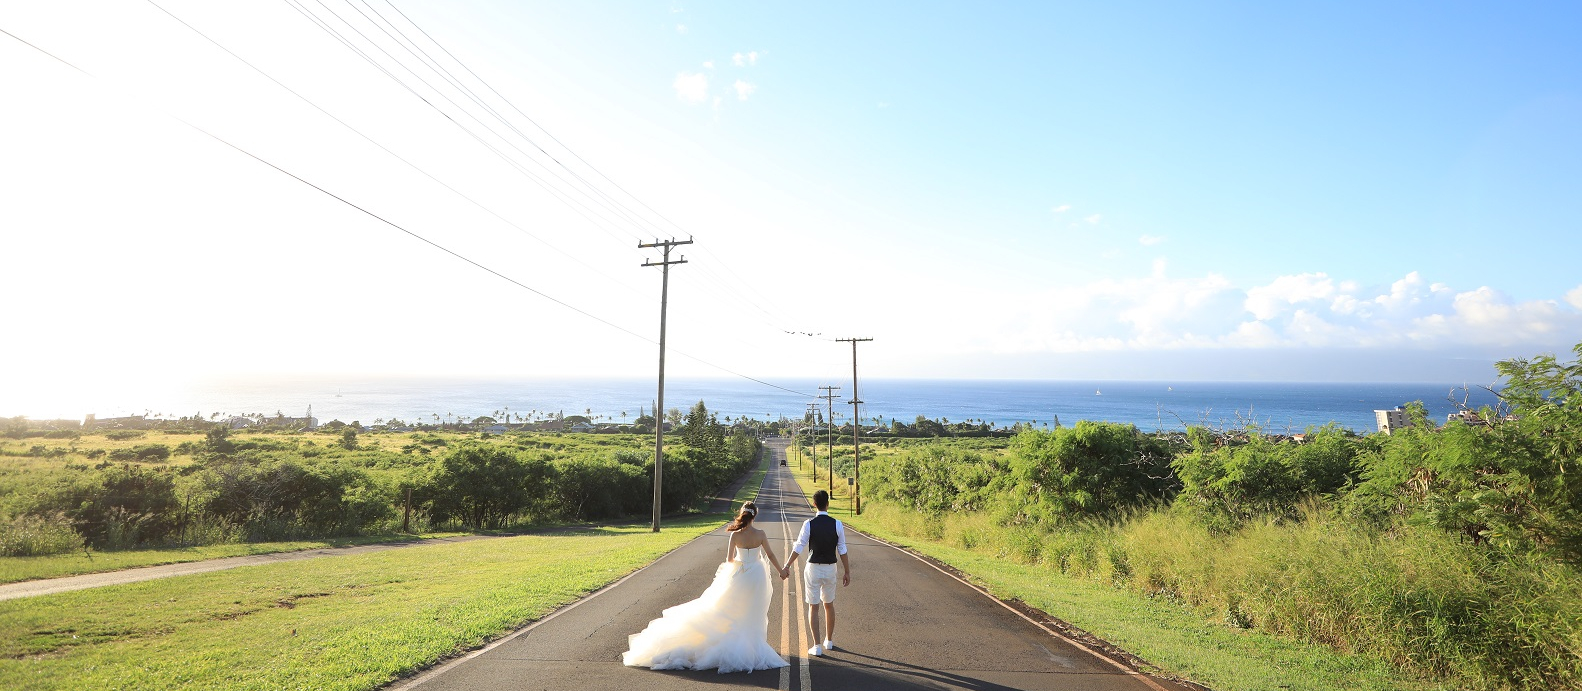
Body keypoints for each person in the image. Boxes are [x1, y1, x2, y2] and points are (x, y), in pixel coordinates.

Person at [623, 502, 790, 673]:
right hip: (757, 575)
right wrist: (782, 571)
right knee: (753, 611)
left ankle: (735, 643)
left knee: (731, 610)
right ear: (754, 516)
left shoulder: (735, 536)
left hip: (740, 575)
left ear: (742, 515)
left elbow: (730, 560)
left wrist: (739, 568)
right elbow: (770, 554)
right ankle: (752, 645)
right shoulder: (760, 534)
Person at [780, 490, 851, 657]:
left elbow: (799, 546)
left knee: (813, 606)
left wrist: (787, 565)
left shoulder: (809, 524)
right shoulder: (837, 524)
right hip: (830, 567)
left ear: (814, 504)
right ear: (828, 503)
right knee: (829, 604)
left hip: (813, 567)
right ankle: (829, 641)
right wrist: (847, 571)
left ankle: (817, 646)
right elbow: (842, 549)